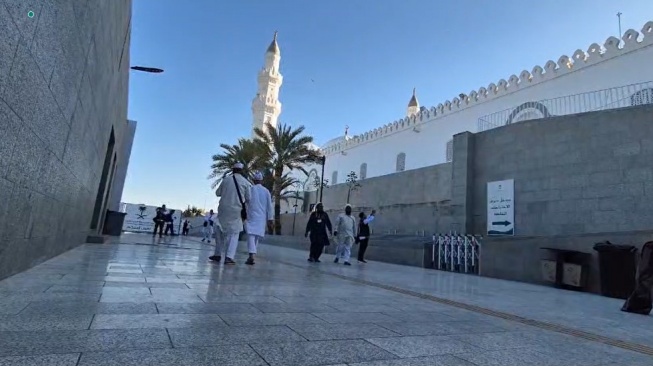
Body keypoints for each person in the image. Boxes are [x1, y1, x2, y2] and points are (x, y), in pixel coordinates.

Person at [213, 162, 251, 265]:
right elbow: (248, 198)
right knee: (234, 234)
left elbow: (218, 193)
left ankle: (217, 254)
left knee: (219, 230)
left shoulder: (226, 180)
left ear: (232, 170)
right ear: (241, 171)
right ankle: (229, 257)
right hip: (236, 210)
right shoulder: (246, 182)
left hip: (223, 209)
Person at [244, 171, 273, 265]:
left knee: (251, 235)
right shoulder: (266, 191)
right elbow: (270, 206)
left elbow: (246, 200)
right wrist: (270, 219)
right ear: (261, 181)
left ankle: (251, 255)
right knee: (255, 236)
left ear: (253, 180)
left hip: (252, 215)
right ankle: (252, 255)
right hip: (261, 218)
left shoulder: (251, 189)